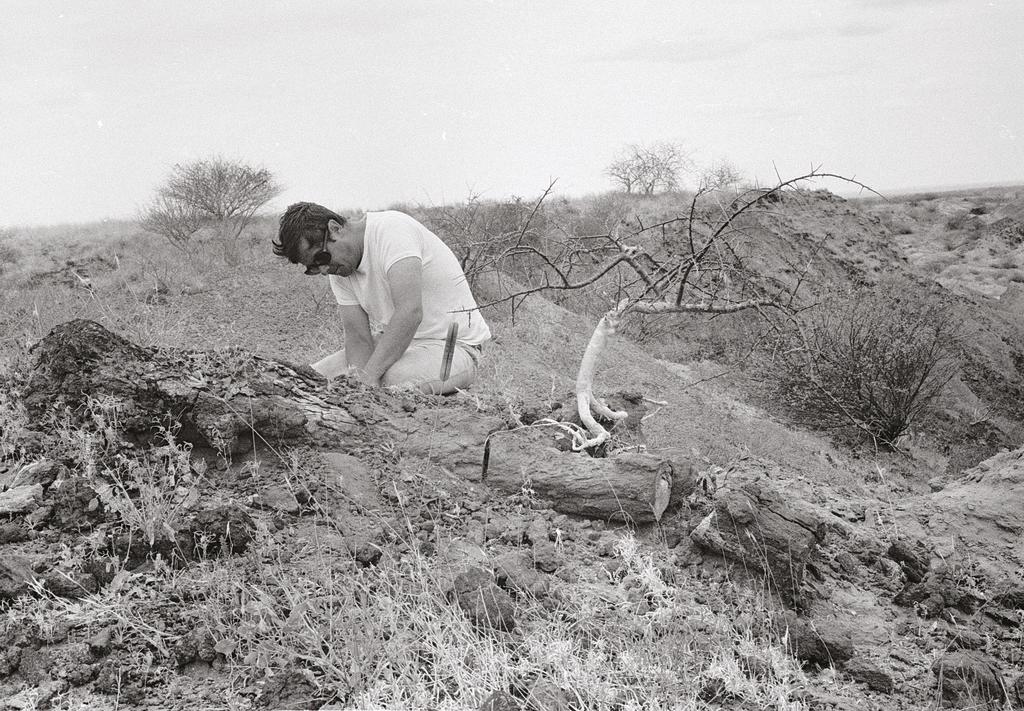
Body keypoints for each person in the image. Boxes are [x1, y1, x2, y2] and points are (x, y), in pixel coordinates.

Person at [273, 202, 491, 394]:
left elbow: (410, 312)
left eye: (320, 258)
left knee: (392, 379)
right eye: (312, 267)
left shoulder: (392, 231)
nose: (322, 270)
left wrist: (366, 381)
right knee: (312, 380)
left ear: (335, 228)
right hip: (399, 343)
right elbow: (358, 337)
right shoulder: (339, 268)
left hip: (454, 345)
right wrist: (357, 380)